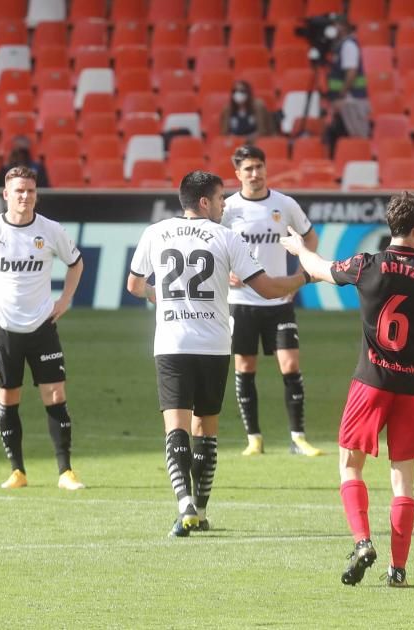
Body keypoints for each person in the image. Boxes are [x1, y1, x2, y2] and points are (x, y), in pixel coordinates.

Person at [125, 170, 311, 537]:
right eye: (222, 198)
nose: (226, 205)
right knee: (206, 430)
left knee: (175, 426)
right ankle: (203, 508)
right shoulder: (226, 237)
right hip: (212, 345)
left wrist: (158, 296)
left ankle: (184, 506)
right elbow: (270, 289)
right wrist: (306, 275)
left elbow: (134, 285)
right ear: (205, 202)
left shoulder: (155, 233)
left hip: (172, 344)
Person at [281, 192, 414, 587]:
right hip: (413, 385)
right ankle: (398, 570)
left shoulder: (365, 265)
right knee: (403, 480)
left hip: (370, 381)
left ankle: (361, 542)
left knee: (349, 465)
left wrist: (296, 247)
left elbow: (319, 267)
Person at [0, 166, 85, 491]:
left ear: (36, 194)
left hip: (42, 325)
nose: (25, 196)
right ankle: (17, 471)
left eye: (30, 191)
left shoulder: (50, 230)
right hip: (5, 327)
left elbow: (76, 262)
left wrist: (65, 299)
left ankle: (65, 471)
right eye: (19, 191)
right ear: (6, 194)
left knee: (55, 394)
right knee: (9, 397)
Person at [222, 145, 321, 457]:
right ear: (237, 174)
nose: (255, 174)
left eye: (259, 167)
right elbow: (212, 247)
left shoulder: (284, 204)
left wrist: (300, 271)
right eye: (248, 169)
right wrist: (225, 274)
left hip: (279, 300)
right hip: (241, 301)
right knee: (245, 367)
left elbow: (310, 237)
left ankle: (298, 437)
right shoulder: (227, 209)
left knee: (290, 365)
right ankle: (254, 437)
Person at [323, 15, 370, 153]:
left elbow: (351, 73)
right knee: (343, 137)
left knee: (356, 138)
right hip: (347, 101)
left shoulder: (348, 45)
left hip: (351, 101)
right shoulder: (340, 46)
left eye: (335, 26)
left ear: (342, 27)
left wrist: (341, 95)